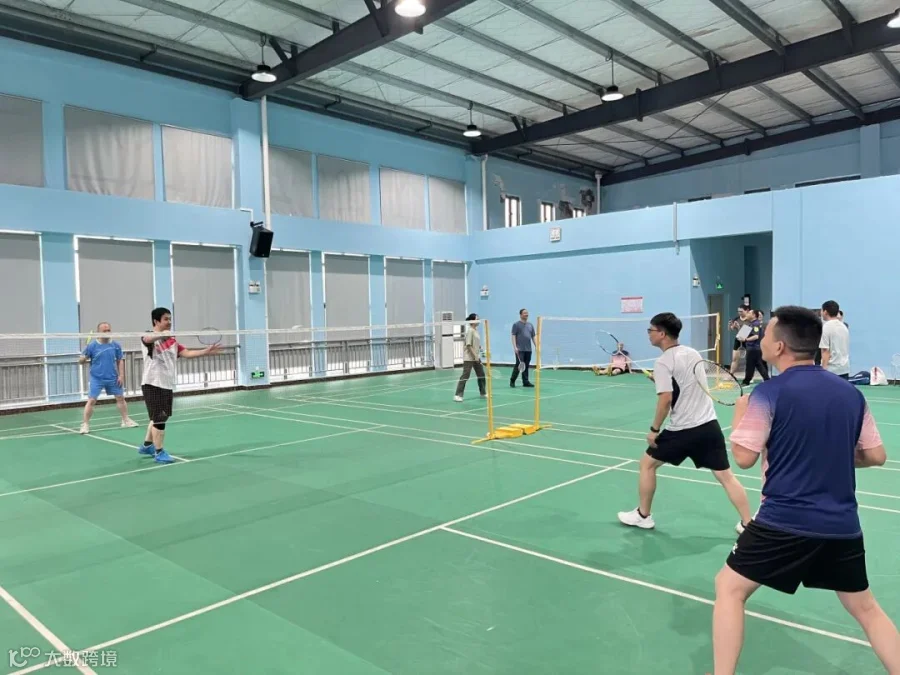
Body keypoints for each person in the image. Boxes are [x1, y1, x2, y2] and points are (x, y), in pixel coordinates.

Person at [712, 306, 900, 675]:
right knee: (866, 609)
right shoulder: (850, 394)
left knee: (729, 588)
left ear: (780, 346)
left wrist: (738, 416)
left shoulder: (768, 393)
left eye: (767, 333)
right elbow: (875, 455)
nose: (763, 338)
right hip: (842, 525)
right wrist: (827, 453)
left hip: (783, 520)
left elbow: (744, 458)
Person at [617, 312, 752, 533]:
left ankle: (643, 516)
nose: (648, 334)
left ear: (662, 334)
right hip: (709, 426)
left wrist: (654, 430)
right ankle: (748, 524)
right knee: (725, 476)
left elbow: (665, 399)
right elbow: (687, 382)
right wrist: (661, 380)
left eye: (650, 330)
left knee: (647, 464)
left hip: (682, 430)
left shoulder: (663, 362)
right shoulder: (692, 353)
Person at [138, 307, 221, 463]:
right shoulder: (148, 336)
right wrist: (163, 334)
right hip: (152, 383)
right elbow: (148, 339)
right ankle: (159, 452)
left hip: (167, 383)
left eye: (170, 319)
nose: (169, 322)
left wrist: (206, 351)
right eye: (166, 319)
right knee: (159, 418)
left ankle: (147, 445)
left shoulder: (172, 341)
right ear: (156, 321)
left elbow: (186, 353)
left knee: (161, 416)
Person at [78, 322, 137, 433]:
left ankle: (125, 420)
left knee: (120, 398)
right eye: (104, 330)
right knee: (92, 400)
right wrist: (82, 359)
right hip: (96, 378)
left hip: (112, 377)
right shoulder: (92, 346)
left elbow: (120, 360)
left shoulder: (115, 345)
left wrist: (121, 375)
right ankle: (85, 424)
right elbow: (81, 361)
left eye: (108, 330)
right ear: (99, 332)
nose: (107, 332)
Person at [454, 314, 487, 402]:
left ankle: (483, 393)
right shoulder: (470, 331)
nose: (479, 320)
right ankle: (458, 395)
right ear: (472, 321)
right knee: (465, 376)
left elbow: (475, 343)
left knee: (481, 374)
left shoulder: (476, 331)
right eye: (477, 319)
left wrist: (480, 348)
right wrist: (475, 356)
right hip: (469, 357)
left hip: (476, 357)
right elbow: (468, 345)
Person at [820, 300, 850, 379]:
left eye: (821, 310)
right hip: (845, 369)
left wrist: (823, 371)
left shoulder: (826, 327)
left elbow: (825, 350)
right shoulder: (844, 327)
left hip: (831, 370)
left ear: (825, 312)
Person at [741, 309, 770, 386]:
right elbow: (741, 336)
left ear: (754, 315)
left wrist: (746, 339)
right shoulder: (750, 324)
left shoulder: (755, 324)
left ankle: (746, 381)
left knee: (751, 365)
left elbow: (755, 336)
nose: (747, 314)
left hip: (753, 349)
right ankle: (767, 380)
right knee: (759, 365)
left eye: (749, 313)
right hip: (753, 348)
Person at [510, 308, 536, 388]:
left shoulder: (530, 325)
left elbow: (533, 336)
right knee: (519, 365)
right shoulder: (516, 325)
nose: (526, 314)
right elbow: (513, 336)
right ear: (521, 315)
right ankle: (512, 380)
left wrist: (536, 345)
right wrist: (515, 347)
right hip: (520, 349)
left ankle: (525, 382)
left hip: (528, 349)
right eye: (524, 313)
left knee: (526, 365)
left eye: (527, 313)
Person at [728, 306, 751, 376]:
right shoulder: (736, 319)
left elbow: (744, 334)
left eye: (741, 311)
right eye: (738, 311)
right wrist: (730, 325)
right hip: (738, 340)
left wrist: (738, 327)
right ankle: (731, 376)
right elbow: (730, 329)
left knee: (749, 360)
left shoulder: (749, 320)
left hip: (748, 340)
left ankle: (749, 376)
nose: (739, 313)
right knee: (734, 359)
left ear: (747, 310)